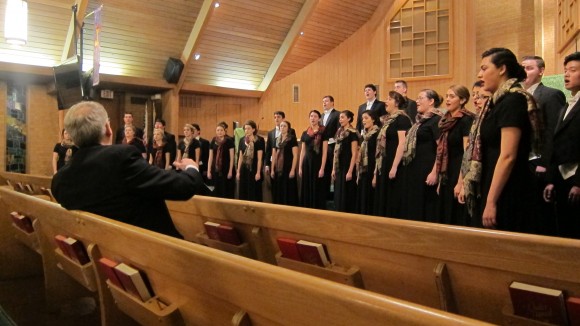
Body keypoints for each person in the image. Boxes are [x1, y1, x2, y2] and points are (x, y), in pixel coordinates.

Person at [51, 101, 205, 238]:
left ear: (71, 135)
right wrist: (191, 167)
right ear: (107, 129)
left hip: (105, 255)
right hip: (152, 254)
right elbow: (182, 187)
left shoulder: (60, 180)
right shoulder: (120, 157)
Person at [464, 47, 541, 233]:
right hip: (492, 183)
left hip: (508, 189)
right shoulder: (496, 102)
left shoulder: (513, 100)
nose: (479, 74)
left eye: (484, 68)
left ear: (501, 69)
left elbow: (508, 156)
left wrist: (491, 201)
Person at [521, 55, 567, 235]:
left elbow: (553, 134)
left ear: (541, 71)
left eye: (529, 68)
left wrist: (546, 166)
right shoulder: (518, 96)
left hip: (539, 162)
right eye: (522, 67)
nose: (524, 72)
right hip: (522, 161)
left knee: (541, 216)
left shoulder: (550, 94)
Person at [544, 52, 580, 239]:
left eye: (572, 70)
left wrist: (578, 182)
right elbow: (555, 143)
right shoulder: (566, 106)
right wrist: (550, 179)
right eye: (565, 70)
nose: (566, 75)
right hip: (560, 178)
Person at [400, 89, 443, 222]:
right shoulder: (420, 121)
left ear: (431, 101)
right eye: (417, 98)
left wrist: (435, 172)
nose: (417, 101)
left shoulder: (437, 120)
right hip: (415, 169)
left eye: (420, 98)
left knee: (426, 208)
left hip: (427, 169)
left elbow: (441, 148)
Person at [435, 85, 474, 226]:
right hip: (447, 171)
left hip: (459, 170)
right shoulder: (445, 120)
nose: (447, 99)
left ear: (463, 100)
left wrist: (461, 183)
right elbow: (441, 152)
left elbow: (467, 153)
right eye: (446, 96)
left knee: (456, 213)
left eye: (452, 96)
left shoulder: (466, 120)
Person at [373, 91, 412, 218]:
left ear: (397, 103)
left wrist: (394, 166)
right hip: (384, 161)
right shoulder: (387, 121)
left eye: (389, 99)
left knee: (393, 196)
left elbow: (402, 143)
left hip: (394, 162)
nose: (386, 101)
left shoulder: (402, 119)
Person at [299, 110, 329, 209]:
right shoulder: (305, 133)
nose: (313, 118)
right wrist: (300, 167)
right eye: (311, 116)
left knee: (317, 187)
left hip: (318, 162)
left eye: (315, 116)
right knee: (306, 186)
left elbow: (325, 151)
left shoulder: (323, 131)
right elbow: (302, 151)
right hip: (306, 163)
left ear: (319, 118)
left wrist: (322, 168)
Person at [332, 110, 359, 213]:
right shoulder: (339, 132)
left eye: (343, 117)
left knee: (347, 193)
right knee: (338, 193)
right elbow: (335, 152)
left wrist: (350, 171)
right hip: (339, 166)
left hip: (348, 166)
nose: (340, 120)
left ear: (349, 119)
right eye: (339, 118)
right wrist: (333, 169)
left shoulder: (353, 133)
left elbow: (354, 154)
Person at [355, 110, 379, 215]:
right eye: (362, 118)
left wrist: (375, 175)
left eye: (366, 118)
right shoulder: (364, 135)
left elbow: (379, 155)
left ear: (373, 119)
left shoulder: (377, 134)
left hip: (372, 168)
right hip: (364, 170)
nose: (363, 120)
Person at [270, 121, 299, 205]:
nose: (282, 127)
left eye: (284, 126)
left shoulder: (292, 139)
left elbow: (295, 155)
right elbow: (274, 155)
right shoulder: (276, 140)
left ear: (288, 128)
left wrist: (293, 170)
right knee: (278, 190)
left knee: (288, 190)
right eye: (281, 126)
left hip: (288, 167)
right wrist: (272, 169)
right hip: (278, 169)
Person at [237, 120, 265, 202]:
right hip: (244, 169)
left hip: (254, 169)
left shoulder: (259, 140)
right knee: (243, 191)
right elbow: (240, 157)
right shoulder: (242, 140)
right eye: (245, 129)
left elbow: (260, 158)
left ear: (253, 129)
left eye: (249, 128)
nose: (246, 130)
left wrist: (258, 172)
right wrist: (238, 171)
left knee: (254, 192)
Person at [207, 122, 235, 199]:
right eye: (218, 130)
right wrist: (209, 171)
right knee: (215, 190)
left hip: (226, 169)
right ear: (216, 131)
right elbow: (210, 157)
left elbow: (232, 157)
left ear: (224, 131)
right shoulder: (213, 140)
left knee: (225, 190)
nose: (219, 132)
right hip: (215, 169)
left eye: (221, 130)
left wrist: (230, 171)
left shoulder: (229, 141)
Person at [321, 95, 340, 208]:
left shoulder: (337, 114)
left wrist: (334, 139)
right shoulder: (322, 115)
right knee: (325, 170)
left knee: (334, 170)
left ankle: (334, 195)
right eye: (323, 101)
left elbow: (338, 129)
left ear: (332, 103)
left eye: (326, 101)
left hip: (333, 146)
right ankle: (326, 194)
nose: (324, 103)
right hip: (324, 147)